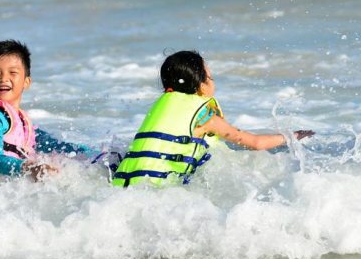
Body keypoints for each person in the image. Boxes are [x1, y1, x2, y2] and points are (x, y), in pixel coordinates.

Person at [112, 50, 314, 187]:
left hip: (122, 186)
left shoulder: (162, 107)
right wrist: (291, 136)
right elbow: (256, 143)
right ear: (202, 86)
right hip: (159, 191)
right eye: (211, 78)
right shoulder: (206, 117)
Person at [0, 40, 96, 179]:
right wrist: (31, 168)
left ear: (26, 82)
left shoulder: (23, 124)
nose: (3, 78)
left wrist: (94, 156)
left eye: (13, 72)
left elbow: (57, 146)